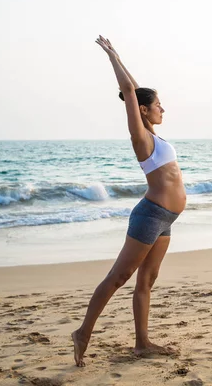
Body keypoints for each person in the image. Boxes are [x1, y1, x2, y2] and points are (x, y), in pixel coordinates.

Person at [71, 36, 186, 367]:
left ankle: (142, 343)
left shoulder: (154, 132)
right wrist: (112, 57)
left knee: (147, 281)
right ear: (144, 110)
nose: (163, 108)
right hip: (150, 216)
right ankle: (83, 333)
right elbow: (131, 94)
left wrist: (120, 58)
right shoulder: (141, 137)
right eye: (158, 104)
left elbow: (134, 91)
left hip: (165, 219)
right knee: (117, 278)